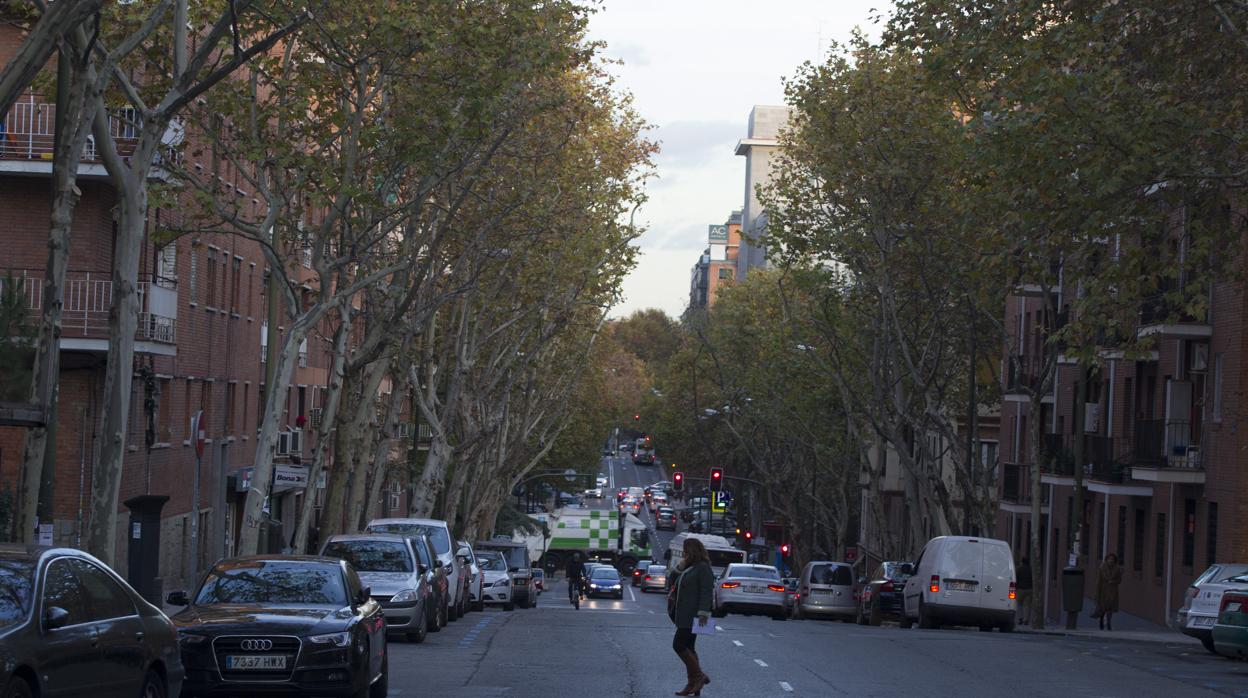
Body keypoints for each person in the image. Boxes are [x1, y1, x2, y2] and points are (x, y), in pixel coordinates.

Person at [668, 537, 714, 696]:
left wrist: (703, 613)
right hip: (683, 614)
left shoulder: (703, 567)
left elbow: (707, 591)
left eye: (685, 549)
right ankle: (693, 684)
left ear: (692, 550)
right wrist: (680, 566)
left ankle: (699, 677)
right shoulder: (689, 566)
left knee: (678, 645)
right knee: (689, 647)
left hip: (694, 615)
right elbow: (671, 581)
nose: (683, 552)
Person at [1095, 553, 1123, 630]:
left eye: (1112, 559)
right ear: (1106, 560)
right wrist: (1097, 592)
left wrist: (1113, 581)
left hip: (1112, 591)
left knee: (1110, 608)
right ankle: (1101, 620)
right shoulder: (1102, 568)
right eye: (1109, 559)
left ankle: (1109, 623)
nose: (1111, 560)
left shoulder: (1117, 569)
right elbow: (1098, 581)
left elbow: (1119, 580)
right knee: (1103, 608)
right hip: (1103, 590)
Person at [1016, 557, 1033, 625]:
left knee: (1019, 604)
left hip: (1021, 589)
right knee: (1027, 605)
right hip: (1029, 589)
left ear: (1022, 562)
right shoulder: (1031, 569)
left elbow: (1016, 578)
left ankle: (1020, 618)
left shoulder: (1019, 569)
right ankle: (1026, 620)